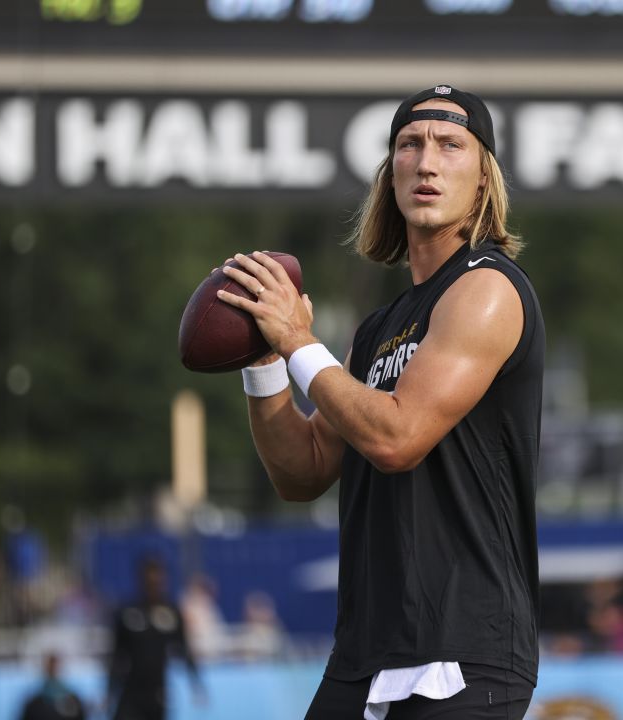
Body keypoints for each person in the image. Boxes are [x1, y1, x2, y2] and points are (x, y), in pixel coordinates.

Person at [217, 84, 544, 719]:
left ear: (483, 180)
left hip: (462, 649)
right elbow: (302, 471)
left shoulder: (488, 289)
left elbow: (397, 438)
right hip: (366, 650)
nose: (426, 161)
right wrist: (265, 362)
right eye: (409, 145)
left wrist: (299, 340)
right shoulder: (378, 330)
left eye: (451, 145)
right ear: (388, 173)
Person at [108, 559, 207, 720]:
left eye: (157, 581)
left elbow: (184, 649)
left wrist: (196, 683)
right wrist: (110, 691)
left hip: (157, 693)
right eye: (149, 581)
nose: (154, 586)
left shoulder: (170, 614)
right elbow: (116, 655)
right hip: (131, 691)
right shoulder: (129, 613)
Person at [18, 653, 87, 720]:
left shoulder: (73, 701)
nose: (53, 670)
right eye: (50, 667)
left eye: (55, 667)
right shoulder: (34, 704)